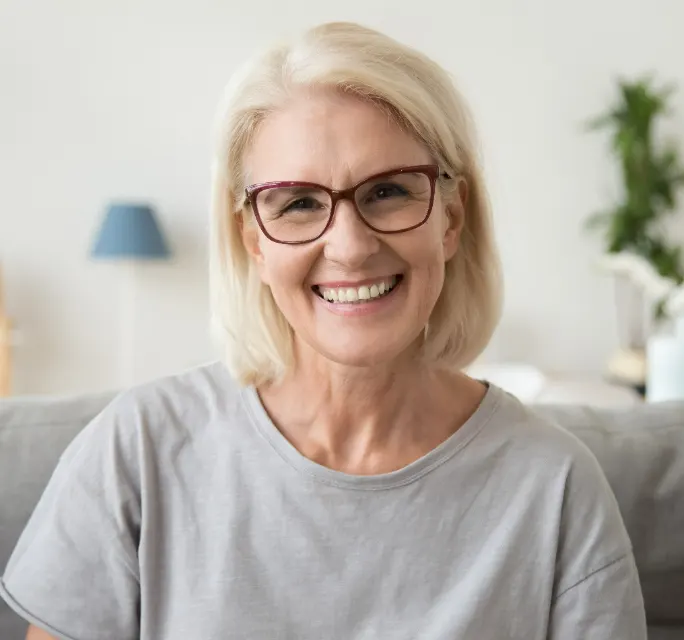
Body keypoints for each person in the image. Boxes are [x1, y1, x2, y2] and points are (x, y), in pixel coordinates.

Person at [1, 21, 646, 640]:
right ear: (252, 239)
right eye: (299, 203)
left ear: (450, 218)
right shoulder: (136, 449)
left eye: (388, 191)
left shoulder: (555, 486)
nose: (351, 246)